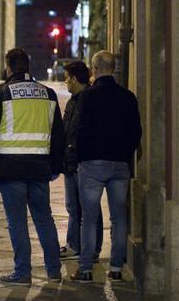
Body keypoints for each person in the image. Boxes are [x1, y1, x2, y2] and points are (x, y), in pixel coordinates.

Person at [0, 48, 66, 285]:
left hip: (10, 167)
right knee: (44, 218)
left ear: (9, 67)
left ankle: (22, 273)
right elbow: (58, 135)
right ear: (28, 66)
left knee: (17, 221)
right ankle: (53, 270)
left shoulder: (2, 93)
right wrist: (56, 166)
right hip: (39, 166)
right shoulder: (48, 94)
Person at [69, 51, 142, 283]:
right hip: (120, 164)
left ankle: (86, 268)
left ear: (95, 69)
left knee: (88, 218)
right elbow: (136, 132)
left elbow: (80, 130)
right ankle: (117, 268)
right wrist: (125, 155)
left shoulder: (88, 96)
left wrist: (80, 157)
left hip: (91, 163)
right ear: (113, 68)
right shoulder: (128, 97)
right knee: (119, 217)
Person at [60, 61, 103, 261]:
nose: (65, 81)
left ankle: (92, 248)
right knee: (72, 206)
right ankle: (74, 244)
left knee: (88, 206)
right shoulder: (72, 101)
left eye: (67, 77)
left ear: (75, 79)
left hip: (83, 161)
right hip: (70, 162)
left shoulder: (89, 99)